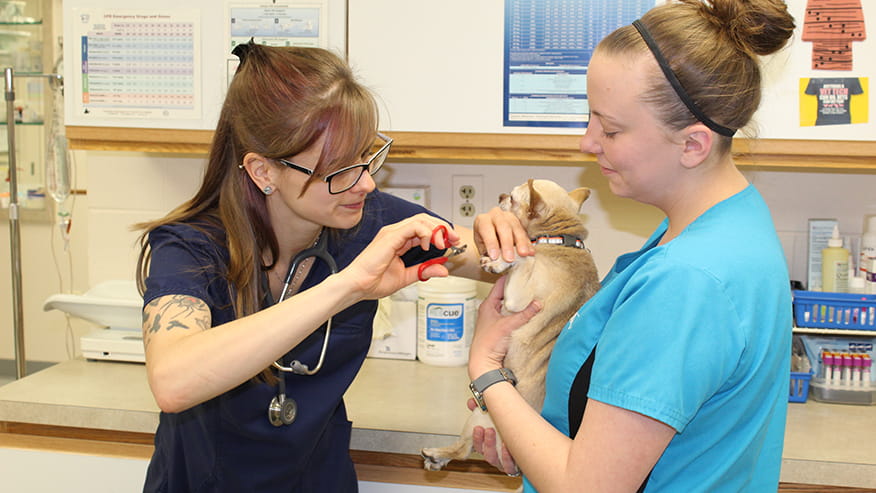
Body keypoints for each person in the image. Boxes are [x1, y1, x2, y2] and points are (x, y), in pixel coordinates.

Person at [135, 41, 509, 492]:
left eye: (367, 156)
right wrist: (348, 286)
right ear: (263, 172)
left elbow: (499, 262)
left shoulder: (370, 222)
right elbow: (174, 381)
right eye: (339, 169)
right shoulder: (192, 246)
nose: (366, 182)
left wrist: (513, 232)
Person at [467, 1, 796, 491]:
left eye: (611, 128)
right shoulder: (725, 226)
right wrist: (536, 442)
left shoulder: (688, 278)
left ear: (692, 145)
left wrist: (487, 372)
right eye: (591, 117)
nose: (587, 142)